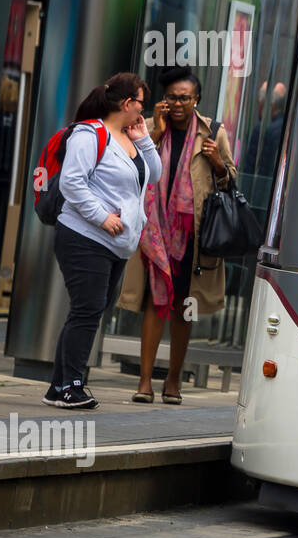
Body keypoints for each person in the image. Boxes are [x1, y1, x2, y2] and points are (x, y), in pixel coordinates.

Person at [116, 68, 236, 404]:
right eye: (171, 97)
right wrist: (155, 133)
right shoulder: (149, 128)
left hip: (192, 237)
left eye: (185, 98)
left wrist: (218, 163)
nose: (178, 103)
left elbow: (230, 180)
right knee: (156, 304)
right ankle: (144, 383)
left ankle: (173, 381)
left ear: (196, 99)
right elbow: (130, 166)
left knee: (185, 307)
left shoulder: (214, 132)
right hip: (154, 232)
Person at [44, 73, 161, 409]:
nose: (144, 108)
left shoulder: (127, 136)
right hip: (85, 237)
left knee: (86, 312)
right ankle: (73, 387)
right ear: (127, 104)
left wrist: (144, 141)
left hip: (116, 244)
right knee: (87, 312)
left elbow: (154, 174)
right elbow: (72, 183)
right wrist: (101, 216)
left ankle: (58, 387)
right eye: (141, 102)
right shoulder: (89, 134)